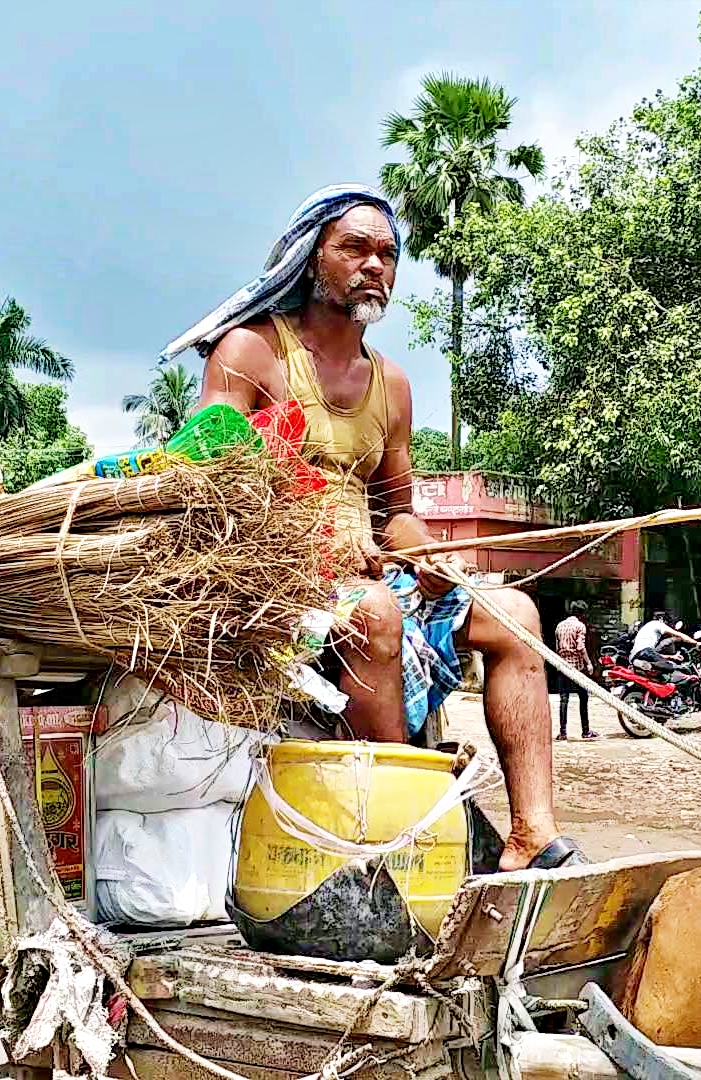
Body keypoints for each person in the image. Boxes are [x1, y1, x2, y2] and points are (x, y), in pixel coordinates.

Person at [167, 184, 581, 871]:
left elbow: (398, 514)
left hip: (367, 575)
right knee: (377, 613)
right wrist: (310, 541)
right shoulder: (249, 353)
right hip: (274, 583)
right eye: (354, 248)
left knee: (512, 612)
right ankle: (411, 826)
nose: (374, 266)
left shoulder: (391, 383)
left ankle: (531, 835)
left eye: (388, 254)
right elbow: (208, 475)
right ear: (310, 259)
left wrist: (426, 556)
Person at [552, 601, 596, 740]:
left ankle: (563, 732)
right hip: (577, 667)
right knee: (583, 698)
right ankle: (585, 731)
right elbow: (580, 647)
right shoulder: (580, 626)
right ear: (581, 614)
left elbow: (558, 648)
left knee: (564, 699)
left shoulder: (560, 626)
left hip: (563, 666)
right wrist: (588, 663)